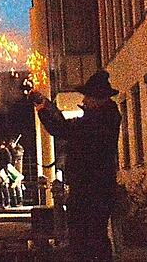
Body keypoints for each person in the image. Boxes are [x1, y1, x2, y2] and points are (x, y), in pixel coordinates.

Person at [30, 69, 121, 262]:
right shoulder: (103, 117)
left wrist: (42, 111)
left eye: (88, 97)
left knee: (87, 240)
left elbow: (62, 129)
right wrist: (47, 106)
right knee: (93, 237)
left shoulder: (98, 120)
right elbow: (67, 126)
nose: (85, 101)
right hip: (94, 188)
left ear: (98, 99)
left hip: (90, 189)